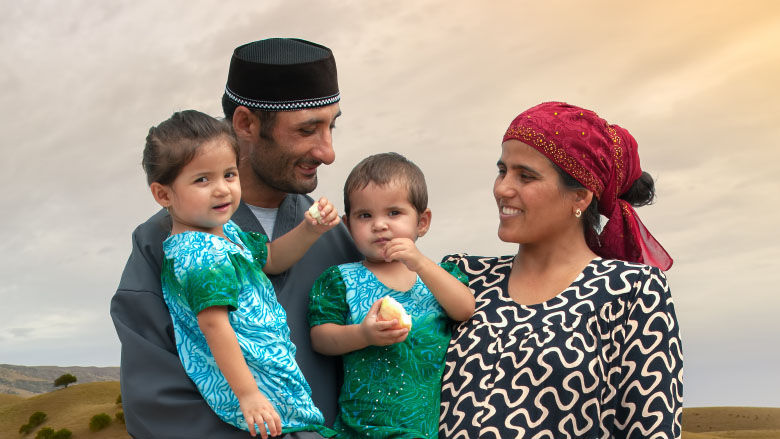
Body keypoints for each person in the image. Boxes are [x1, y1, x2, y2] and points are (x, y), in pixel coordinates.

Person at [111, 38, 362, 439]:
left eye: (332, 125)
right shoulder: (158, 244)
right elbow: (155, 403)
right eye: (307, 129)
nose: (328, 152)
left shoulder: (342, 238)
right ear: (246, 124)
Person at [439, 102, 682, 438]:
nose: (502, 188)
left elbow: (651, 428)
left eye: (525, 176)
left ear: (580, 197)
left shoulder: (631, 292)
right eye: (502, 170)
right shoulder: (463, 278)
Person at [143, 109, 342, 438]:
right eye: (202, 180)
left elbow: (273, 258)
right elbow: (214, 325)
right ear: (164, 194)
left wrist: (310, 228)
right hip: (253, 389)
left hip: (270, 375)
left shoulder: (224, 232)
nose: (221, 189)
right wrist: (249, 396)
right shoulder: (198, 255)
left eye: (229, 175)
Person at [308, 153, 475, 439]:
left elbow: (465, 309)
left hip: (421, 430)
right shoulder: (340, 279)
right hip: (359, 430)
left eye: (394, 213)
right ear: (348, 226)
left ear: (422, 222)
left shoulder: (437, 276)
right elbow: (320, 338)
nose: (379, 225)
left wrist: (421, 263)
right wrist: (363, 334)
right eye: (365, 216)